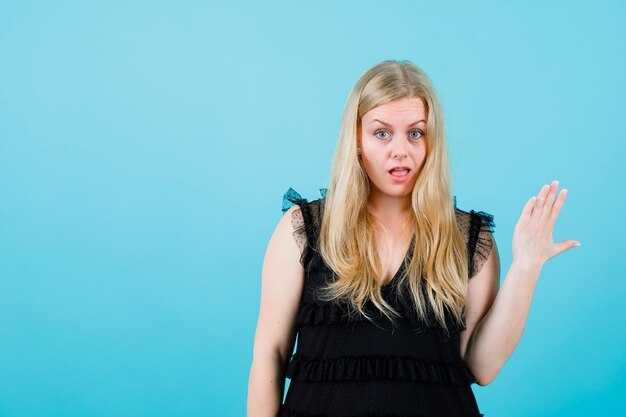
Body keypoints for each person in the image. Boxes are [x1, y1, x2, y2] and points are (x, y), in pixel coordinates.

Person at [247, 60, 580, 417]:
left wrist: (527, 265)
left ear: (431, 141)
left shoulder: (469, 239)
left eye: (416, 133)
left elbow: (481, 367)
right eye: (382, 133)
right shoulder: (304, 230)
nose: (400, 150)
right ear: (357, 140)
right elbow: (271, 355)